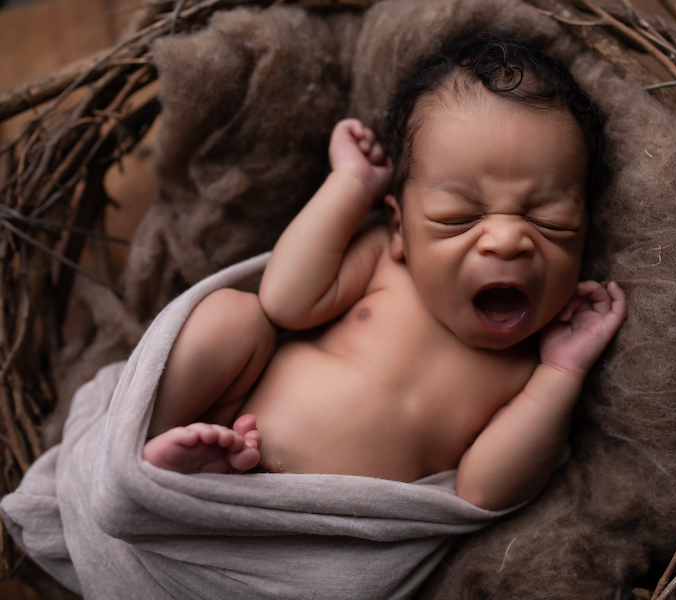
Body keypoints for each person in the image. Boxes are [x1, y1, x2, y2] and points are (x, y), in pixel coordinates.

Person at [142, 35, 626, 512]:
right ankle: (150, 453)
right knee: (232, 316)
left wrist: (562, 373)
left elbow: (484, 491)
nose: (506, 240)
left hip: (329, 529)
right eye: (457, 217)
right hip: (230, 425)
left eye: (550, 222)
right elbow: (284, 300)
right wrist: (349, 186)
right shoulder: (385, 260)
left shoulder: (532, 367)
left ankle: (192, 486)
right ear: (400, 227)